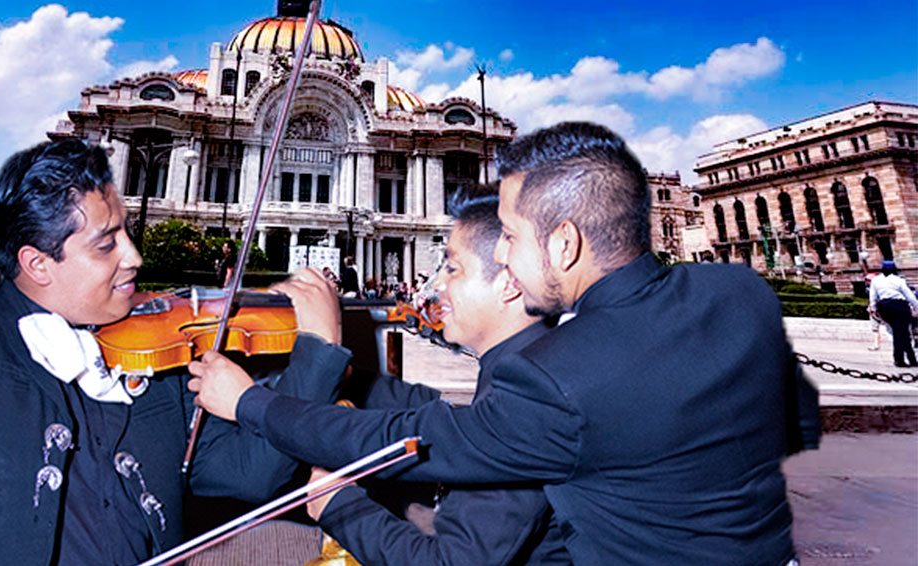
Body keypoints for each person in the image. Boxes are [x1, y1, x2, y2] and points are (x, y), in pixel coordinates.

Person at [190, 122, 820, 566]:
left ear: (565, 245)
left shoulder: (554, 379)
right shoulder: (740, 294)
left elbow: (423, 453)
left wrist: (255, 409)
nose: (510, 259)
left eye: (512, 237)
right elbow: (790, 422)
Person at [0, 139, 352, 565]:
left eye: (127, 234)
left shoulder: (155, 362)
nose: (134, 258)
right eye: (107, 244)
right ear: (39, 263)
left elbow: (250, 476)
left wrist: (318, 351)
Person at [305, 183, 570, 566]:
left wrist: (338, 506)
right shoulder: (531, 362)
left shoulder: (530, 391)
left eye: (452, 268)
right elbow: (487, 524)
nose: (437, 286)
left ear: (511, 282)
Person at [868, 260, 918, 367]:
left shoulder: (875, 280)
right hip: (899, 307)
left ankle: (909, 359)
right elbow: (910, 296)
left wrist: (873, 308)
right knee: (902, 333)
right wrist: (916, 309)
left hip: (884, 307)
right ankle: (901, 359)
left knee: (899, 333)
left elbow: (873, 296)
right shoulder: (899, 280)